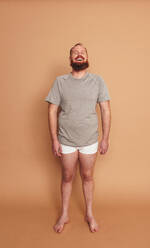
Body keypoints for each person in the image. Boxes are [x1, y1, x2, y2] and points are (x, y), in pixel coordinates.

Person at [44, 42, 111, 233]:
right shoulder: (60, 82)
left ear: (87, 57)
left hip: (89, 139)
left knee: (88, 176)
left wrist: (105, 138)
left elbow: (105, 109)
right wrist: (54, 140)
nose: (79, 55)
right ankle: (64, 214)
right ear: (70, 59)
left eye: (82, 52)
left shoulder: (98, 81)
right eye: (75, 53)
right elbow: (52, 110)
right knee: (67, 176)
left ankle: (89, 213)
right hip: (65, 139)